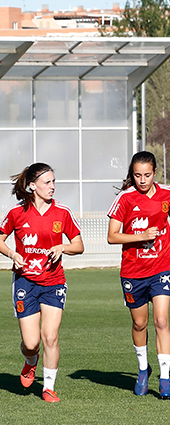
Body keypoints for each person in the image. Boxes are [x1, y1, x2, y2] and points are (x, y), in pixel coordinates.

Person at [108, 151, 170, 399]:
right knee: (139, 323)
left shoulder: (167, 194)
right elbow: (112, 236)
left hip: (162, 266)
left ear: (155, 173)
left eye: (146, 175)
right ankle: (143, 369)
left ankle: (165, 379)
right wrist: (141, 236)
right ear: (131, 175)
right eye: (137, 175)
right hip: (133, 271)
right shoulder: (125, 199)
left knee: (161, 320)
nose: (142, 180)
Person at [0, 163, 83, 402]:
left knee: (50, 336)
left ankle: (48, 387)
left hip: (54, 282)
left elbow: (79, 245)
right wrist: (12, 254)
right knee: (31, 342)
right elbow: (1, 239)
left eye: (54, 181)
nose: (52, 187)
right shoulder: (17, 213)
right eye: (47, 182)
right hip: (25, 282)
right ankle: (29, 361)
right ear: (32, 186)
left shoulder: (63, 213)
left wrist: (63, 247)